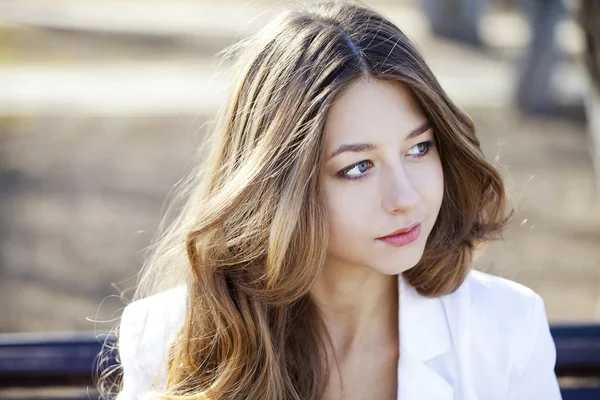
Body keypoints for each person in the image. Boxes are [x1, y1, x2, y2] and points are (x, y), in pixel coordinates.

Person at [100, 1, 562, 399]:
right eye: (357, 167)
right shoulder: (167, 338)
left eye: (419, 148)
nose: (405, 198)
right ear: (280, 187)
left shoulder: (504, 328)